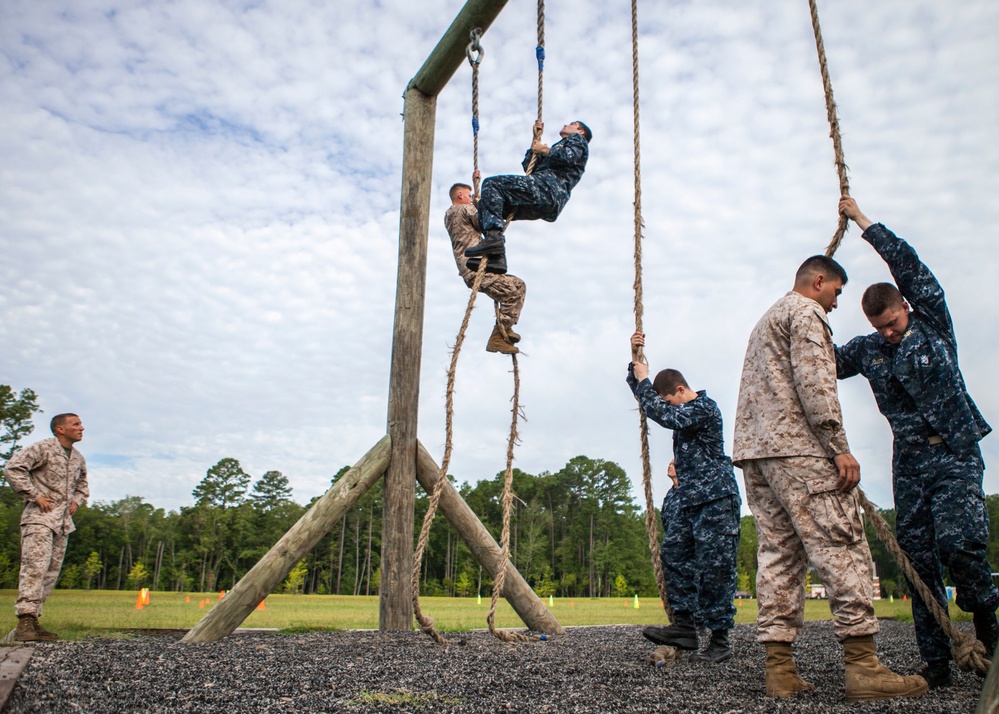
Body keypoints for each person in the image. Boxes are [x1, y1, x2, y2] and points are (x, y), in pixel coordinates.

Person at [732, 256, 927, 701]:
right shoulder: (805, 313)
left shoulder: (767, 320)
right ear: (818, 282)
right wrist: (838, 445)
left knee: (779, 555)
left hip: (756, 454)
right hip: (799, 449)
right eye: (836, 292)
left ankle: (779, 670)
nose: (837, 303)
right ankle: (864, 668)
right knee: (842, 546)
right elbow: (816, 381)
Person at [835, 196, 998, 688]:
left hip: (954, 451)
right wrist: (801, 309)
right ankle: (938, 661)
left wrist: (863, 222)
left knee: (959, 544)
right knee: (918, 563)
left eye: (892, 323)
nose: (888, 333)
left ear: (905, 307)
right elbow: (820, 360)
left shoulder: (932, 324)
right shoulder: (869, 349)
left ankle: (989, 625)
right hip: (909, 465)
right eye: (879, 328)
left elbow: (909, 264)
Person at [627, 332, 741, 663]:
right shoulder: (679, 407)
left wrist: (647, 385)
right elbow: (651, 400)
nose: (669, 405)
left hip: (716, 500)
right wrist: (634, 363)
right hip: (689, 502)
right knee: (674, 555)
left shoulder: (704, 408)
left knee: (715, 568)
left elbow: (665, 415)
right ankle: (685, 627)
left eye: (670, 399)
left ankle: (719, 639)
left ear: (680, 390)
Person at [4, 413, 89, 642]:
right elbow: (13, 468)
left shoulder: (78, 458)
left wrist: (76, 502)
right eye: (76, 424)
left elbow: (83, 486)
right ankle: (25, 620)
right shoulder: (42, 448)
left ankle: (34, 621)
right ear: (60, 429)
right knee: (35, 567)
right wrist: (35, 495)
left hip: (61, 524)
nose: (82, 428)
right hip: (39, 519)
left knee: (50, 572)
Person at [463, 119, 591, 269]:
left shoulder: (578, 140)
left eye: (572, 124)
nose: (565, 124)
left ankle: (494, 241)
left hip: (548, 188)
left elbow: (568, 156)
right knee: (489, 204)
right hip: (546, 201)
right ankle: (497, 258)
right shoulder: (557, 149)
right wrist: (535, 139)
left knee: (492, 184)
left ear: (580, 131)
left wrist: (545, 150)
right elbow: (529, 166)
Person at [445, 176, 526, 355]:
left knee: (517, 284)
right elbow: (486, 220)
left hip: (474, 267)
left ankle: (503, 330)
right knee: (514, 291)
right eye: (468, 195)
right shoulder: (464, 210)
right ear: (460, 195)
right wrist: (481, 202)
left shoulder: (450, 215)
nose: (471, 197)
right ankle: (498, 336)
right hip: (475, 267)